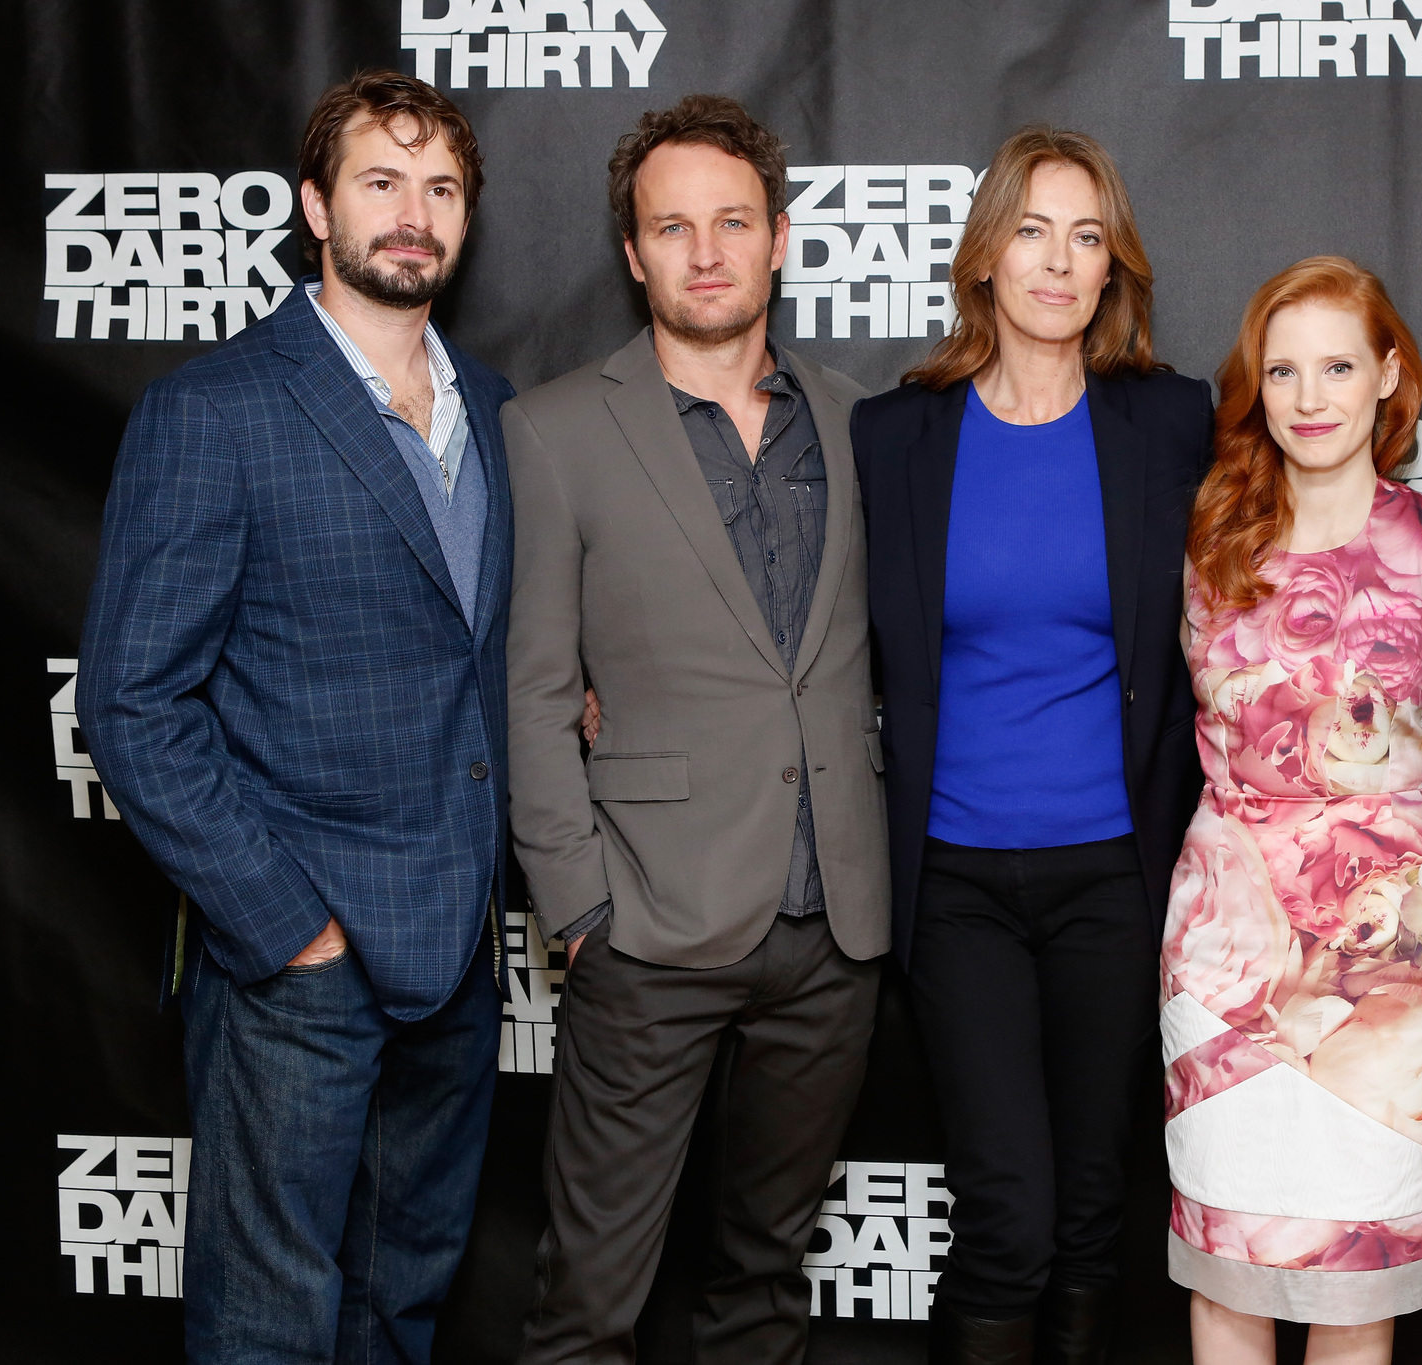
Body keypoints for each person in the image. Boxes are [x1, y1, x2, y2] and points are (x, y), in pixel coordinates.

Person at [76, 72, 511, 1364]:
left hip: (456, 960)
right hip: (297, 974)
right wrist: (289, 929)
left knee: (399, 1312)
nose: (412, 215)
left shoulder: (491, 407)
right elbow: (131, 699)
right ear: (317, 207)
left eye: (440, 189)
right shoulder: (214, 410)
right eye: (381, 182)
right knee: (268, 1329)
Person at [504, 94, 887, 1365]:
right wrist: (579, 910)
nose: (705, 250)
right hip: (649, 927)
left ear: (780, 236)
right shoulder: (553, 431)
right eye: (673, 227)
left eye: (732, 221)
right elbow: (533, 689)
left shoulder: (857, 419)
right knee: (590, 1303)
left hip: (830, 926)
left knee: (766, 1283)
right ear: (632, 251)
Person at [851, 126, 1213, 1365]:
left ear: (1112, 267)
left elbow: (1267, 570)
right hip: (952, 885)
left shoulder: (1169, 423)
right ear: (986, 254)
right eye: (1032, 230)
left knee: (1094, 1207)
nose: (1058, 262)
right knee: (1007, 1210)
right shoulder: (894, 437)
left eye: (1086, 236)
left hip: (1113, 879)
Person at [1161, 258, 1422, 1365]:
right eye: (1280, 370)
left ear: (1388, 374)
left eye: (1336, 365)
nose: (1308, 396)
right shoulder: (1209, 543)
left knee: (1353, 1288)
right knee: (1229, 1271)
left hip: (1392, 960)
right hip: (1225, 947)